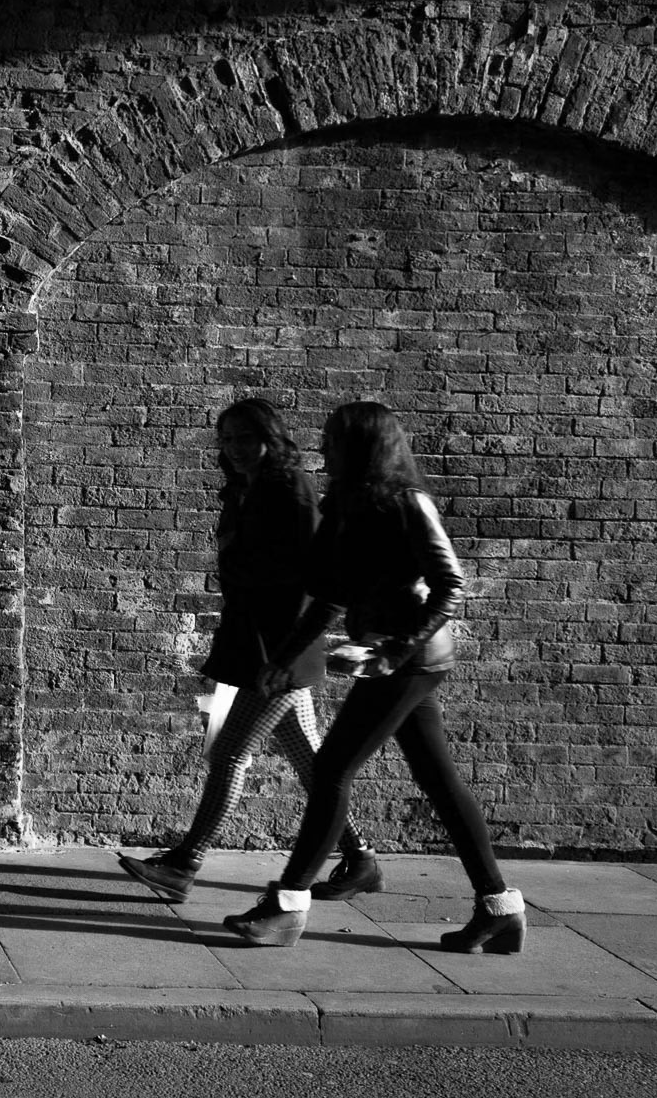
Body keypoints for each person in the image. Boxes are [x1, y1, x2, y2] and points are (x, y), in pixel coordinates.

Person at [223, 401, 525, 952]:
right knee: (438, 781)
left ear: (365, 446)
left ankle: (289, 904)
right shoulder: (345, 502)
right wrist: (283, 658)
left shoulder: (409, 504)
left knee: (333, 769)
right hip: (386, 657)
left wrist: (392, 650)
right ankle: (499, 908)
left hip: (412, 660)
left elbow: (449, 586)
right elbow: (330, 594)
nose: (323, 448)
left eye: (334, 439)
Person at [119, 398, 380, 904]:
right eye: (228, 440)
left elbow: (318, 577)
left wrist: (283, 656)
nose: (235, 449)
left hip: (281, 650)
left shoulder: (290, 489)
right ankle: (360, 857)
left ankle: (185, 862)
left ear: (271, 438)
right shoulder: (244, 490)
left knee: (231, 750)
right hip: (253, 642)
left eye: (245, 438)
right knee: (310, 759)